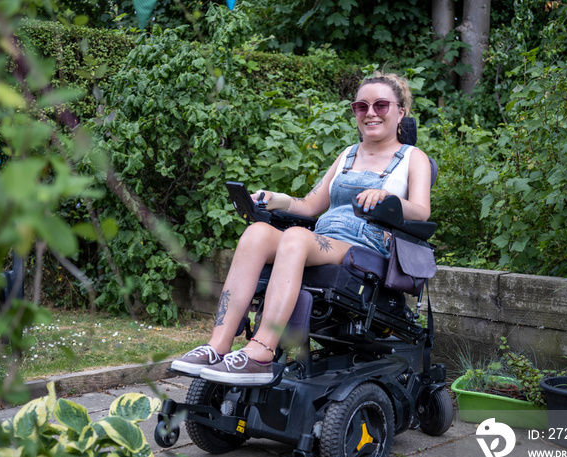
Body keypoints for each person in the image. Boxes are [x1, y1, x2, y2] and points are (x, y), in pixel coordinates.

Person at [172, 71, 432, 385]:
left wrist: (389, 198)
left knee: (296, 237)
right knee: (256, 233)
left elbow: (421, 211)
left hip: (366, 246)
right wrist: (275, 199)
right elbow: (310, 206)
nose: (371, 113)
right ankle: (218, 345)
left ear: (401, 111)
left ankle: (261, 352)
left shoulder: (412, 158)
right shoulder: (347, 155)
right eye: (361, 107)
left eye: (381, 105)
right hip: (325, 238)